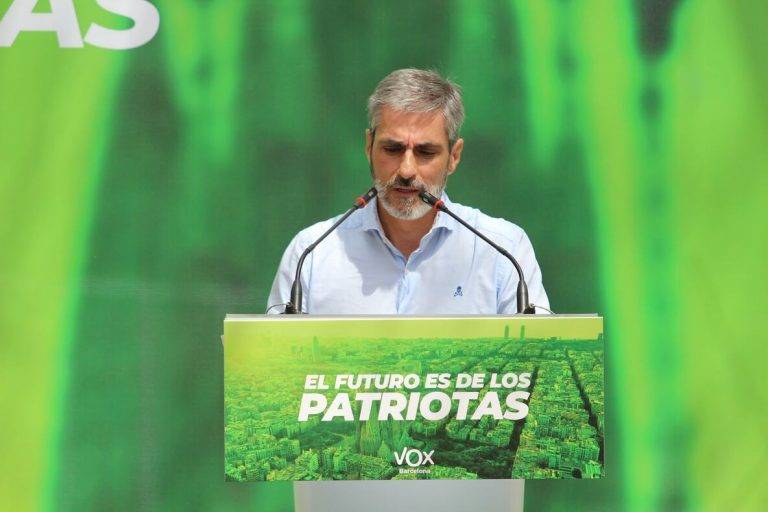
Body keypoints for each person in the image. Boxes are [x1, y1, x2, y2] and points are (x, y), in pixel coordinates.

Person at [268, 68, 549, 512]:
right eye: (392, 148)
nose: (406, 170)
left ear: (454, 156)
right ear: (368, 147)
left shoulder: (503, 250)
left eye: (426, 152)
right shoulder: (313, 253)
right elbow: (274, 385)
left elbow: (539, 388)